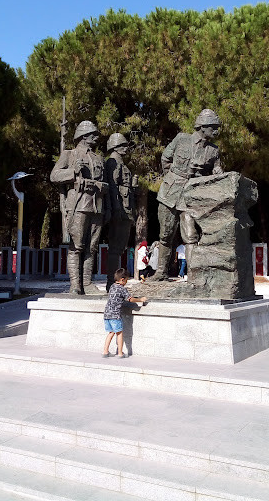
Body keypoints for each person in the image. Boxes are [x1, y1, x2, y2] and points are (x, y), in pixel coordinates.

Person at [154, 109, 224, 280]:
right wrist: (173, 176)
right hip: (170, 194)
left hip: (191, 198)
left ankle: (193, 275)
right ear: (203, 126)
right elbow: (165, 158)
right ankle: (161, 272)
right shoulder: (182, 139)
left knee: (190, 236)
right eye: (214, 127)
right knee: (165, 234)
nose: (216, 131)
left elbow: (218, 172)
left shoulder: (213, 151)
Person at [50, 120, 109, 294]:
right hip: (78, 203)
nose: (96, 138)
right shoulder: (70, 154)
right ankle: (75, 285)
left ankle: (87, 283)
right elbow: (54, 176)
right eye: (93, 134)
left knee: (92, 246)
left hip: (96, 204)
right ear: (83, 136)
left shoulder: (99, 158)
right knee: (76, 246)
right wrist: (73, 171)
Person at [105, 133, 138, 291]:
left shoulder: (121, 163)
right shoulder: (113, 163)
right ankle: (112, 284)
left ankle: (114, 283)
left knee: (119, 248)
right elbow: (112, 186)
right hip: (120, 209)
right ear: (115, 147)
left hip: (126, 209)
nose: (126, 148)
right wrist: (116, 208)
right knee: (115, 248)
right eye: (123, 145)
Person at [102, 268, 147, 358]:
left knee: (111, 332)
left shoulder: (112, 286)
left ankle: (105, 351)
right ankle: (120, 353)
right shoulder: (122, 289)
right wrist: (140, 299)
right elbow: (130, 299)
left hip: (107, 314)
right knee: (119, 333)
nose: (126, 282)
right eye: (126, 280)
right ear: (122, 279)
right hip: (115, 314)